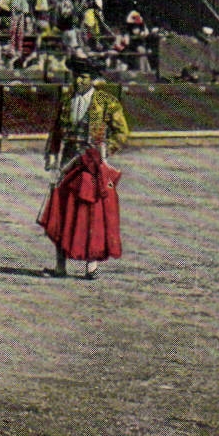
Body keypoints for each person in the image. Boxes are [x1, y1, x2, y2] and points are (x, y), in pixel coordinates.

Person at [39, 56, 130, 280]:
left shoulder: (106, 101)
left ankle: (91, 267)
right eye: (77, 76)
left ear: (93, 79)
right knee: (62, 210)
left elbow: (121, 131)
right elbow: (56, 130)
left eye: (84, 77)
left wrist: (105, 150)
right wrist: (52, 154)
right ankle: (60, 267)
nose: (79, 80)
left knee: (92, 211)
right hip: (68, 160)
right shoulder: (66, 100)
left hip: (91, 163)